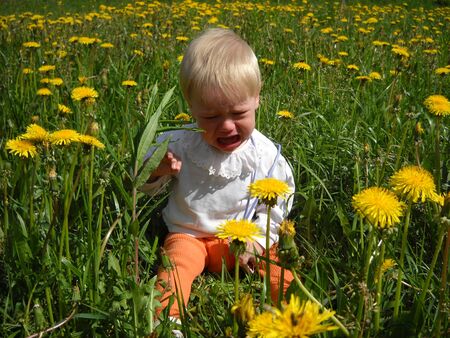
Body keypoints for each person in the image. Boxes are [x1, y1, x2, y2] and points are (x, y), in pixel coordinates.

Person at [140, 28, 295, 328]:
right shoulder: (180, 145)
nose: (226, 126)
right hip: (189, 237)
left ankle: (292, 316)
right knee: (175, 269)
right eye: (210, 117)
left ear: (257, 99)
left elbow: (278, 205)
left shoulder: (265, 156)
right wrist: (155, 170)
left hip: (244, 239)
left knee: (278, 264)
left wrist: (259, 240)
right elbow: (142, 186)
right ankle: (165, 324)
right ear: (191, 107)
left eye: (238, 113)